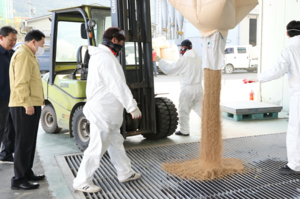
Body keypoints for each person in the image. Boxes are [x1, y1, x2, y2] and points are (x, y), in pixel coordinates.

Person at [73, 27, 142, 193]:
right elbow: (117, 84)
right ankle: (81, 180)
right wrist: (132, 106)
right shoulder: (105, 58)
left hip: (108, 112)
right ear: (114, 40)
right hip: (102, 112)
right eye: (122, 42)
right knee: (97, 147)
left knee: (115, 143)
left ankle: (125, 172)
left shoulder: (104, 56)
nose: (122, 46)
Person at [244, 20, 300, 175]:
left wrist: (256, 78)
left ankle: (295, 166)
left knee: (296, 130)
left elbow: (277, 71)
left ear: (288, 33)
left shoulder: (289, 49)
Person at [9, 30, 46, 190]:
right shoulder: (23, 55)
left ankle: (27, 172)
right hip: (24, 105)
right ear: (33, 42)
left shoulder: (29, 55)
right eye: (42, 44)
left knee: (29, 142)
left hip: (31, 103)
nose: (41, 47)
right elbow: (21, 83)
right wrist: (27, 104)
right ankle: (19, 179)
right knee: (23, 143)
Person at [155, 39, 203, 136]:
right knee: (201, 110)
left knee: (184, 110)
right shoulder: (198, 58)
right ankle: (211, 127)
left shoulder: (185, 59)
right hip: (199, 88)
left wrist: (159, 60)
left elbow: (171, 69)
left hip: (188, 89)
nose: (180, 50)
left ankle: (184, 131)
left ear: (185, 48)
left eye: (181, 47)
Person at [0, 26, 17, 164]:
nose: (14, 42)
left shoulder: (13, 54)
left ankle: (6, 153)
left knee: (10, 126)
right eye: (11, 39)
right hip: (1, 96)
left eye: (15, 40)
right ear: (1, 37)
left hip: (12, 97)